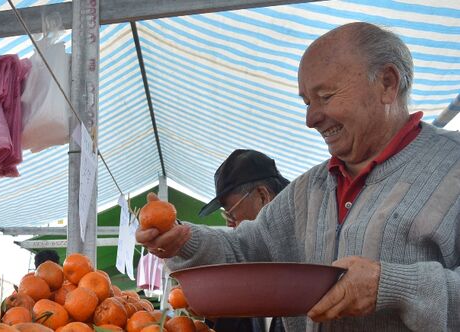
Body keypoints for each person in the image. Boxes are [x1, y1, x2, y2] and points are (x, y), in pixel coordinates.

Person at [137, 22, 460, 331]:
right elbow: (245, 252)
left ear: (387, 83)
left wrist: (391, 286)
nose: (311, 118)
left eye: (326, 96)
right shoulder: (307, 191)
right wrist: (185, 241)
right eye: (307, 102)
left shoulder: (452, 164)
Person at [196, 149, 289, 332]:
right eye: (227, 218)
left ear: (263, 196)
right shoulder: (255, 265)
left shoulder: (305, 249)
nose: (232, 225)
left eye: (232, 215)